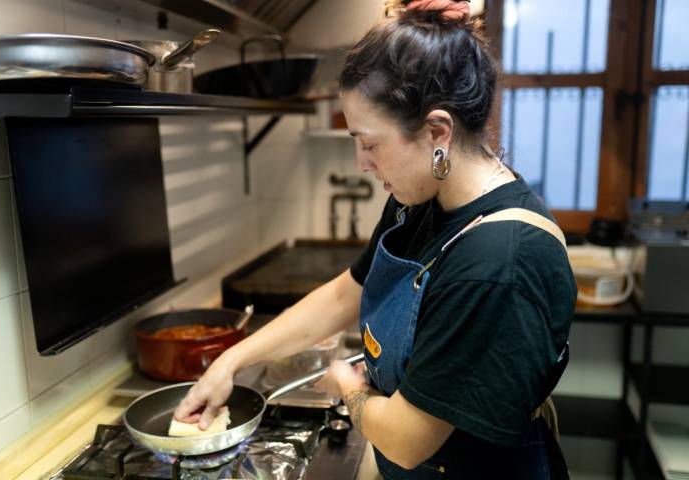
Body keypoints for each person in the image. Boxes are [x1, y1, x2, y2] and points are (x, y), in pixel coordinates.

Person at [175, 0, 577, 478]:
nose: (362, 165)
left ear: (437, 131)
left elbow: (408, 441)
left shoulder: (497, 262)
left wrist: (347, 385)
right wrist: (230, 361)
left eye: (369, 144)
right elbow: (349, 290)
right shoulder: (423, 200)